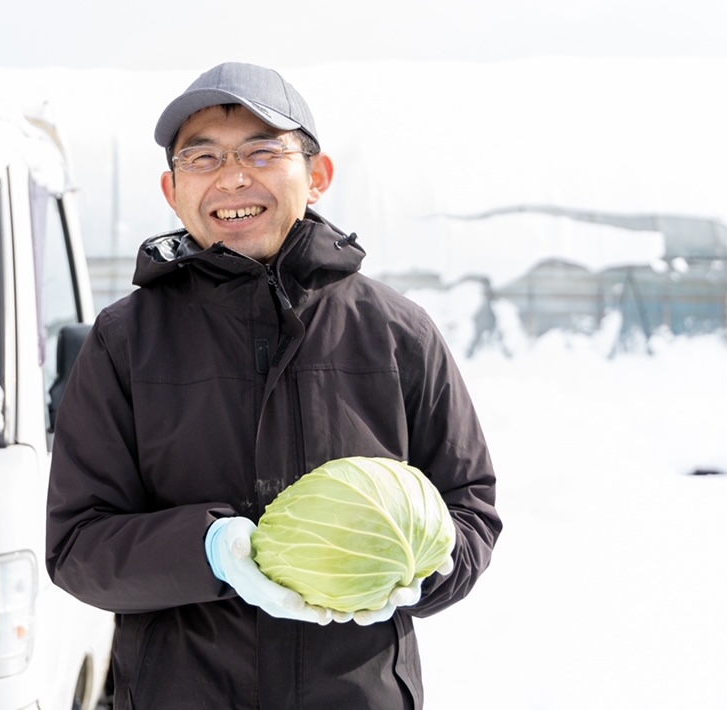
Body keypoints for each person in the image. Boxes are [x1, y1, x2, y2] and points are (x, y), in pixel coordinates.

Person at [46, 61, 500, 709]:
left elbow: (469, 502)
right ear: (173, 191)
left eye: (263, 151)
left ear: (317, 177)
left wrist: (427, 571)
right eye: (202, 158)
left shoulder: (397, 332)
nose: (233, 177)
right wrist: (208, 551)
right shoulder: (124, 342)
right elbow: (76, 546)